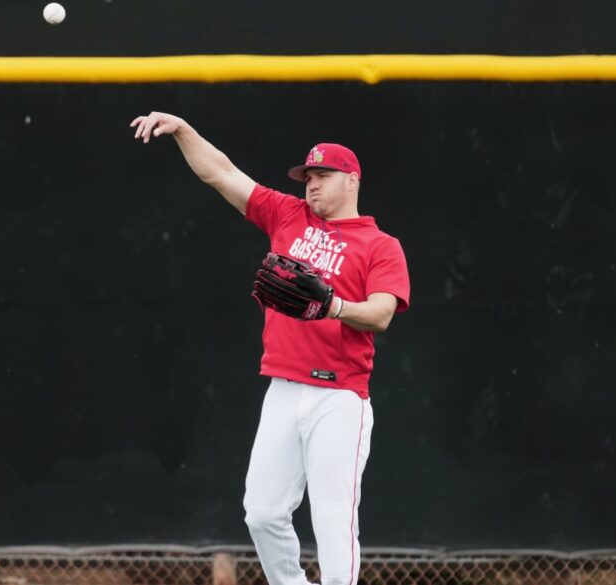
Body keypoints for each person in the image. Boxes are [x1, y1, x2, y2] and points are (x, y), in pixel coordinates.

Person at [131, 112, 410, 585]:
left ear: (352, 181)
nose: (311, 184)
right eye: (308, 176)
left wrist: (333, 305)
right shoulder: (288, 215)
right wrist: (182, 130)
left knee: (333, 522)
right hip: (283, 388)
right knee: (262, 514)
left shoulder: (381, 245)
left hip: (339, 396)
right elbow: (221, 172)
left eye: (323, 176)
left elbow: (381, 313)